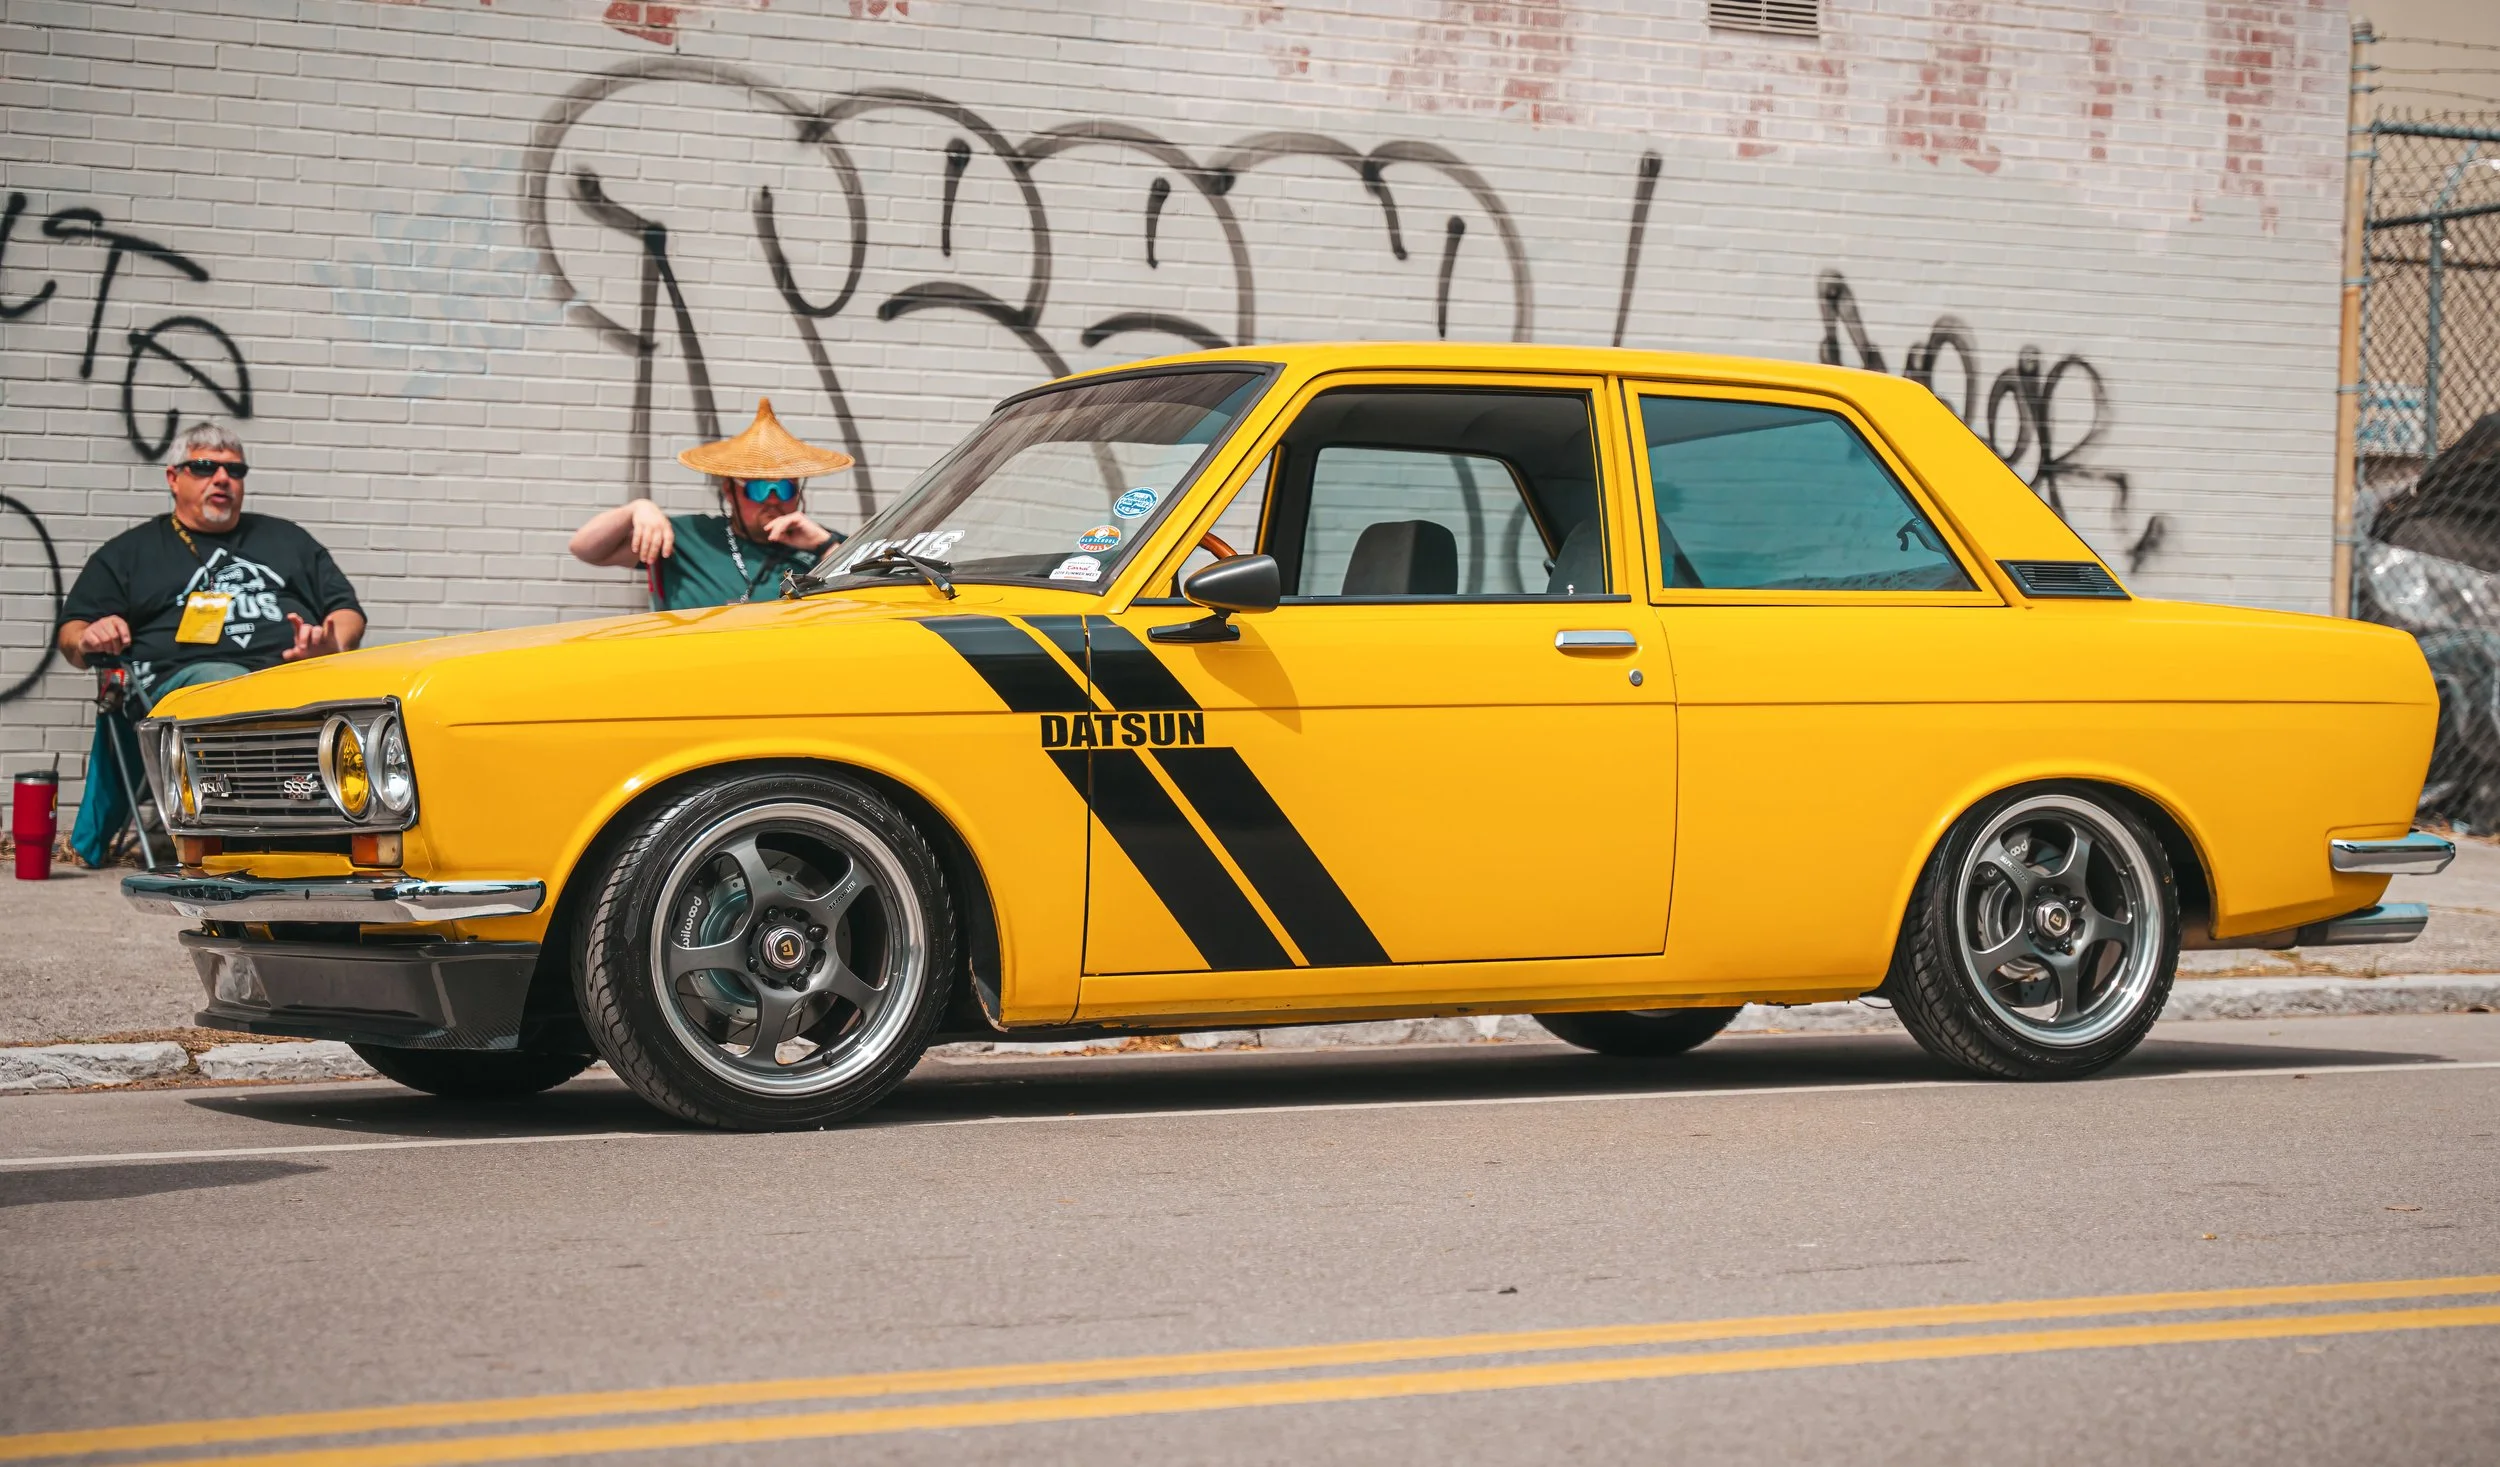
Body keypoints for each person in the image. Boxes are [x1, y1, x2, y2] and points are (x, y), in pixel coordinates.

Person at [54, 422, 366, 865]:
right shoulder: (131, 553)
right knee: (226, 684)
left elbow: (347, 611)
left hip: (293, 675)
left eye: (234, 471)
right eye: (204, 467)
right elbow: (70, 636)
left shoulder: (288, 540)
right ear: (173, 477)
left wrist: (330, 644)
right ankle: (253, 842)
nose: (222, 479)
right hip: (182, 686)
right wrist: (89, 636)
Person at [570, 397, 854, 609]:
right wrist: (636, 509)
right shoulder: (687, 537)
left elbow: (867, 597)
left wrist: (824, 545)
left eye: (783, 489)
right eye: (758, 489)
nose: (772, 500)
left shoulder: (828, 545)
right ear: (730, 491)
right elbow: (586, 549)